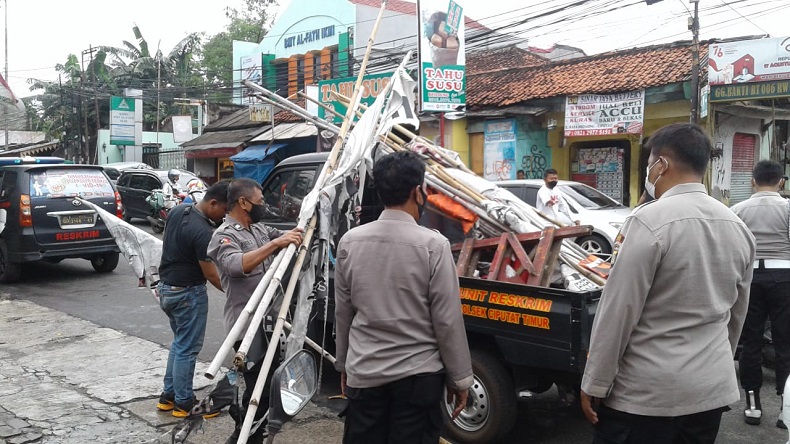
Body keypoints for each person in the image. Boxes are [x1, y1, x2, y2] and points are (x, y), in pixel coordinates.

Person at [580, 123, 756, 444]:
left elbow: (619, 313)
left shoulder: (648, 221)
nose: (649, 173)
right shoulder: (738, 226)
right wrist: (714, 363)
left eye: (649, 164)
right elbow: (736, 315)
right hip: (709, 393)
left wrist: (595, 383)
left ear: (662, 164)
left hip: (647, 397)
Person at [334, 151, 473, 444]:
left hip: (365, 374)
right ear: (417, 192)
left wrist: (343, 365)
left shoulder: (350, 242)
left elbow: (343, 313)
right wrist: (460, 378)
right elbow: (447, 320)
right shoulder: (434, 245)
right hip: (418, 379)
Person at [207, 178, 303, 444]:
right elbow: (237, 265)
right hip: (246, 327)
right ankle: (243, 436)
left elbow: (285, 233)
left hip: (271, 322)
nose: (263, 206)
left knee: (269, 386)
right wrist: (276, 244)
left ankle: (251, 434)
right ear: (243, 202)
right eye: (260, 202)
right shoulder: (224, 236)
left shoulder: (258, 228)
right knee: (254, 390)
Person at [155, 180, 229, 418]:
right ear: (213, 202)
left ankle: (168, 396)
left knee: (179, 344)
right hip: (188, 293)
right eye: (224, 211)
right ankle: (184, 402)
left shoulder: (178, 211)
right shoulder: (203, 232)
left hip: (167, 289)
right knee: (187, 348)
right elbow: (210, 274)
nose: (224, 216)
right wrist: (233, 292)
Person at [731, 159, 790, 428]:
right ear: (781, 181)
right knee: (785, 342)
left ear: (753, 181)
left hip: (750, 277)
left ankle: (752, 405)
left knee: (751, 341)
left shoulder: (737, 210)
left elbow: (733, 250)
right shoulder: (788, 208)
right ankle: (784, 408)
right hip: (785, 277)